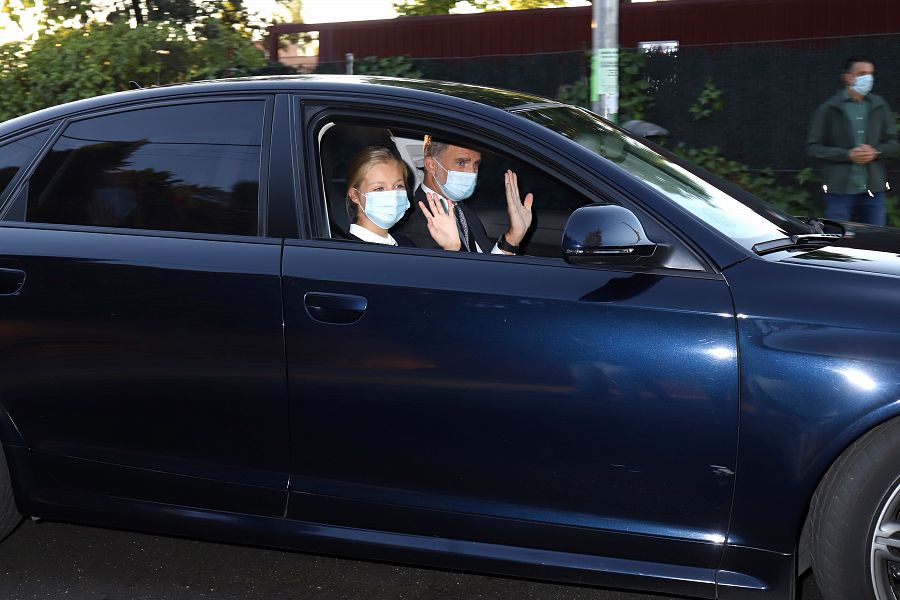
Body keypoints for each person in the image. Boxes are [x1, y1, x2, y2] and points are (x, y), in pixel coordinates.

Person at [393, 136, 534, 254]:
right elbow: (467, 277)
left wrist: (514, 236)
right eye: (461, 162)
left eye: (476, 164)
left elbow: (487, 264)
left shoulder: (460, 209)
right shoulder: (417, 223)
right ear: (432, 165)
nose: (472, 172)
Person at [806, 57, 898, 226]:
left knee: (876, 237)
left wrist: (875, 152)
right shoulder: (829, 108)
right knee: (839, 237)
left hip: (873, 190)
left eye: (870, 74)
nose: (868, 78)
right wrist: (847, 155)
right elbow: (814, 148)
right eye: (862, 73)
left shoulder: (879, 105)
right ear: (847, 77)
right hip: (839, 190)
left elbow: (893, 143)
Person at [345, 146, 459, 249]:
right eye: (379, 188)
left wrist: (451, 247)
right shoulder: (345, 251)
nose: (393, 196)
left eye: (398, 186)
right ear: (355, 195)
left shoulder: (406, 244)